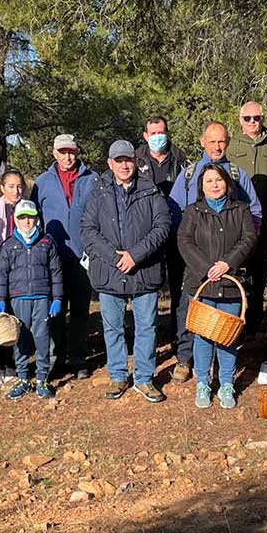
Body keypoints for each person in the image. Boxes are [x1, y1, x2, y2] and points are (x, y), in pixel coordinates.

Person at [168, 121, 262, 382]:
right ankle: (185, 359)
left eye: (221, 141)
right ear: (202, 142)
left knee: (225, 314)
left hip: (229, 260)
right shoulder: (187, 175)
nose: (217, 146)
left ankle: (225, 370)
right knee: (189, 308)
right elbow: (174, 212)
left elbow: (253, 213)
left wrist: (237, 253)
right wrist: (193, 253)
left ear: (228, 142)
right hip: (194, 259)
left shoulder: (237, 174)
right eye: (212, 141)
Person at [81, 139, 172, 402]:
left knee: (147, 326)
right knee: (113, 327)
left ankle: (143, 378)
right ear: (110, 163)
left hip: (144, 269)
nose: (124, 164)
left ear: (135, 161)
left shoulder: (151, 190)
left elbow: (162, 226)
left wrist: (136, 255)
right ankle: (118, 375)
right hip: (110, 271)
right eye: (118, 160)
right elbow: (88, 230)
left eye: (128, 159)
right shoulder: (97, 192)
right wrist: (113, 256)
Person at [177, 163, 256, 409]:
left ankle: (226, 383)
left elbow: (249, 238)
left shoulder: (241, 209)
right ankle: (203, 382)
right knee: (202, 336)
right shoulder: (193, 212)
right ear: (202, 186)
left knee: (227, 337)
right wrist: (206, 268)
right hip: (202, 284)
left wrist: (227, 264)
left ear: (227, 183)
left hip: (232, 283)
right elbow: (184, 241)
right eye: (209, 181)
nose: (214, 185)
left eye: (218, 180)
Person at [225, 100, 267, 343]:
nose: (253, 122)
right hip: (235, 218)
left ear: (263, 119)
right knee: (237, 265)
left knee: (259, 268)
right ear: (240, 120)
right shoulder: (231, 146)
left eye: (257, 118)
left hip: (264, 215)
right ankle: (236, 318)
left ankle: (254, 319)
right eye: (248, 118)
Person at [33, 134, 98, 380]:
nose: (67, 156)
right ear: (54, 153)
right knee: (55, 312)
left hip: (84, 255)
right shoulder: (42, 182)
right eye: (62, 152)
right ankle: (55, 359)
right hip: (54, 257)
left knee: (81, 311)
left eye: (71, 151)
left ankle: (79, 359)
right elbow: (34, 218)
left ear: (77, 151)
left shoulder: (92, 179)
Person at [0, 200, 64, 400]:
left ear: (36, 219)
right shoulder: (9, 245)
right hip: (18, 297)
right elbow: (1, 275)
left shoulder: (47, 242)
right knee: (21, 337)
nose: (27, 221)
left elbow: (56, 273)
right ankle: (23, 378)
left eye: (30, 217)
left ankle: (42, 378)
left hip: (42, 297)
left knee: (42, 337)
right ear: (16, 220)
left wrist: (57, 298)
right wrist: (0, 299)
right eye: (22, 217)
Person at [0, 169, 27, 388]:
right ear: (2, 188)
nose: (16, 191)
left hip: (21, 271)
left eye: (19, 186)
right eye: (11, 186)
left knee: (15, 318)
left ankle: (12, 367)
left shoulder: (28, 208)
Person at [135, 116, 190, 197]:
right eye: (153, 133)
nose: (157, 137)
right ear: (146, 136)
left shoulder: (180, 160)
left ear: (167, 134)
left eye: (160, 133)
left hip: (174, 207)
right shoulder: (136, 161)